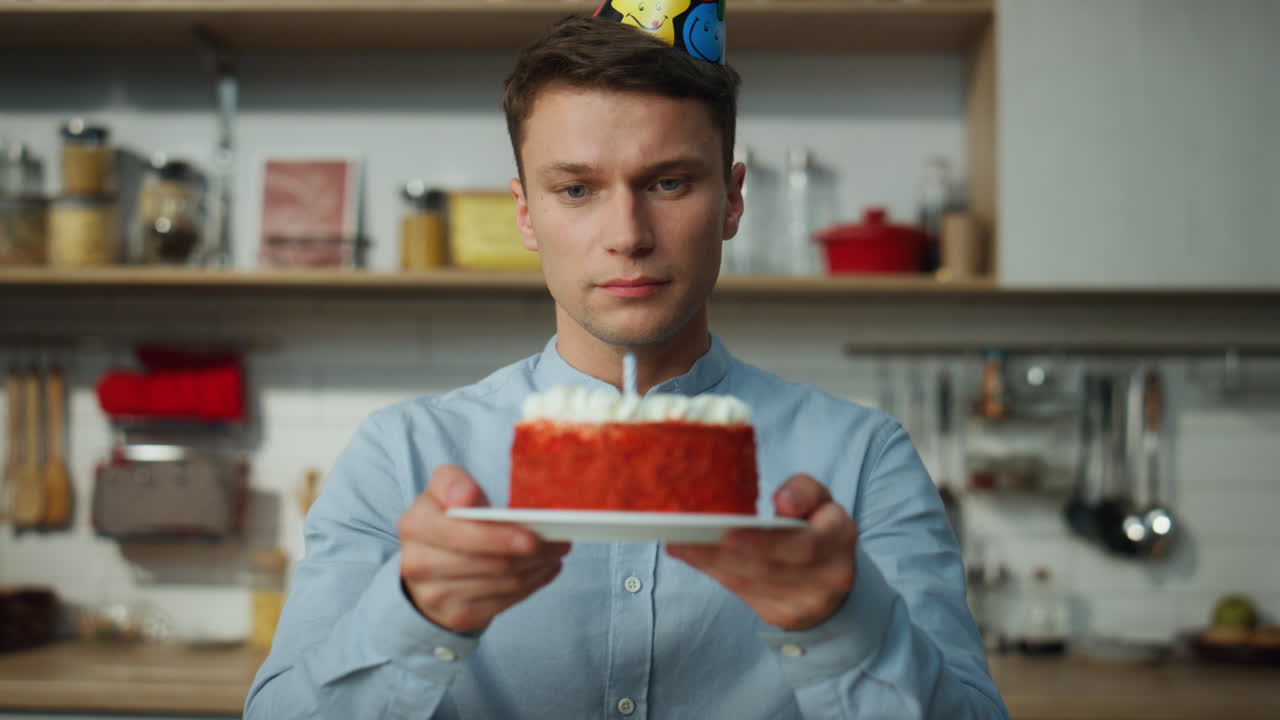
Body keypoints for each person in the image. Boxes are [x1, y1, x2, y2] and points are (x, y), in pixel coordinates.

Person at [245, 12, 1009, 720]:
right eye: (576, 189)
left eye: (669, 182)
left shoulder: (863, 461)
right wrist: (414, 618)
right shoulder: (401, 457)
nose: (628, 235)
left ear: (733, 200)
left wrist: (841, 625)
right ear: (524, 214)